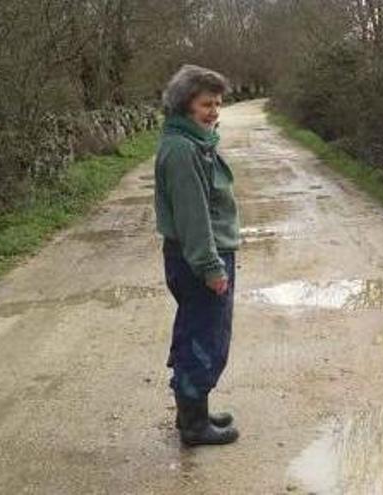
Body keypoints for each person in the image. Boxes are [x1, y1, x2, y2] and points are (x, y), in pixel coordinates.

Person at [155, 65, 240, 446]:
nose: (214, 111)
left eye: (218, 104)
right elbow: (193, 217)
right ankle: (193, 426)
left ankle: (195, 412)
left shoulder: (194, 141)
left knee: (200, 333)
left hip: (200, 253)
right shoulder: (182, 150)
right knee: (203, 338)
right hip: (199, 257)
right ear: (185, 104)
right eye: (207, 104)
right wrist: (211, 267)